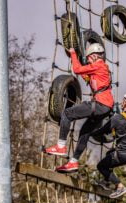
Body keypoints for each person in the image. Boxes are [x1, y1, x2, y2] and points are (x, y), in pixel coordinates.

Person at [45, 43, 114, 173]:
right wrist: (80, 65)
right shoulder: (101, 68)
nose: (88, 60)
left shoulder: (98, 65)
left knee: (67, 114)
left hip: (100, 104)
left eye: (88, 58)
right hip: (105, 108)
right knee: (84, 133)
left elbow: (77, 69)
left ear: (93, 56)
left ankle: (61, 146)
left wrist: (73, 53)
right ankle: (73, 162)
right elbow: (86, 75)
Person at [93, 91, 126, 198]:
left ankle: (120, 186)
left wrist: (90, 133)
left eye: (124, 100)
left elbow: (103, 130)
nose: (122, 101)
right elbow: (125, 120)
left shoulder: (117, 119)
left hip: (122, 153)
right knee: (109, 155)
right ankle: (106, 181)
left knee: (101, 166)